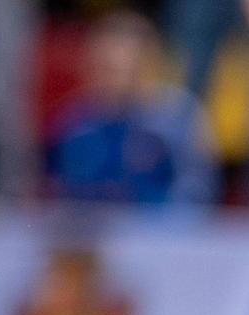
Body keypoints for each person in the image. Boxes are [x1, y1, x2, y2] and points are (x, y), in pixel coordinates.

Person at [44, 11, 211, 203]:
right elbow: (56, 189)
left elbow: (196, 192)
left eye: (118, 70)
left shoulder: (178, 116)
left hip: (159, 221)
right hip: (88, 221)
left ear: (146, 65)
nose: (109, 80)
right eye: (101, 67)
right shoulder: (72, 121)